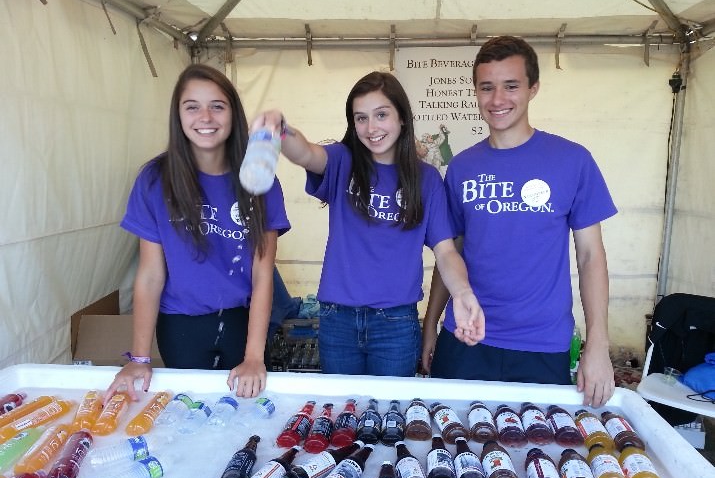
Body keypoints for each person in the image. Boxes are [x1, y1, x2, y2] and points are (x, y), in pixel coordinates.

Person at [422, 36, 617, 407]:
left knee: (534, 453)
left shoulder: (572, 160)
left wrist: (598, 346)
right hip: (464, 339)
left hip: (541, 345)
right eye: (487, 87)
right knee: (452, 451)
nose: (498, 100)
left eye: (511, 86)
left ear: (533, 88)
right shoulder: (462, 167)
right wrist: (430, 325)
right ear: (476, 92)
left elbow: (591, 257)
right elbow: (450, 254)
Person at [252, 71, 484, 377]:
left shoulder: (426, 179)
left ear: (402, 118)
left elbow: (446, 252)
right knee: (344, 414)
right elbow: (306, 153)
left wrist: (464, 293)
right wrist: (281, 130)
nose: (371, 128)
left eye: (381, 115)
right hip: (338, 321)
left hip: (396, 325)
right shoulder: (342, 161)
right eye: (361, 118)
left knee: (388, 418)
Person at [106, 64, 290, 403]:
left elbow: (262, 275)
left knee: (241, 412)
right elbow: (149, 275)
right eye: (192, 106)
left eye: (217, 106)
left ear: (234, 114)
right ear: (178, 116)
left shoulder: (259, 179)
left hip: (241, 321)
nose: (205, 117)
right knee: (192, 413)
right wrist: (139, 359)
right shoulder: (154, 179)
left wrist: (254, 357)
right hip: (180, 326)